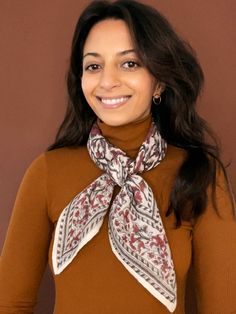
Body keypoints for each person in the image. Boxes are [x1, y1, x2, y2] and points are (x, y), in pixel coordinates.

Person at [0, 0, 235, 313]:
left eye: (130, 63)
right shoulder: (47, 172)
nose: (107, 82)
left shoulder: (199, 173)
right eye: (93, 66)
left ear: (159, 81)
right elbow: (10, 302)